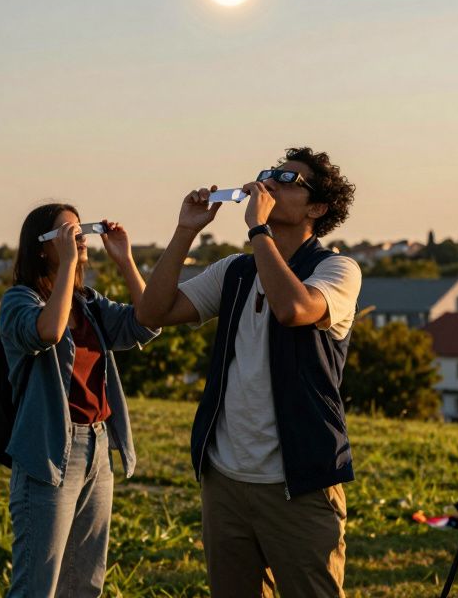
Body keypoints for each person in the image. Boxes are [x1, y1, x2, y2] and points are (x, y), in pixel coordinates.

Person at [136, 147, 362, 598]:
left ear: (317, 208)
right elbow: (151, 311)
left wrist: (258, 229)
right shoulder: (235, 271)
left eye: (287, 178)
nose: (270, 181)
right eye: (267, 173)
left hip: (299, 484)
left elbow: (294, 308)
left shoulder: (337, 269)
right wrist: (185, 232)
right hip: (225, 482)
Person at [0, 205, 159, 597]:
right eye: (68, 233)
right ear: (41, 248)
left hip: (98, 447)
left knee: (85, 583)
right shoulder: (19, 301)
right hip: (50, 451)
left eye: (79, 230)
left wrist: (124, 261)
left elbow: (149, 322)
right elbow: (48, 333)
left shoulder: (88, 304)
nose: (79, 239)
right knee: (38, 585)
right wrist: (70, 261)